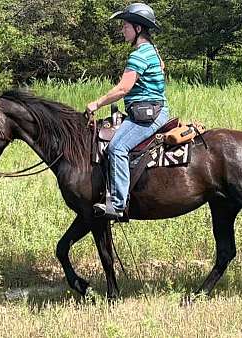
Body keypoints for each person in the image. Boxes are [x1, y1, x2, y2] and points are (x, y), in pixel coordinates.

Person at [86, 3, 169, 219]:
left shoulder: (139, 55)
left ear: (138, 29)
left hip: (148, 116)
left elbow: (123, 88)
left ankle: (118, 204)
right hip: (152, 110)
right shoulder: (152, 51)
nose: (122, 29)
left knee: (117, 147)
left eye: (125, 25)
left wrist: (96, 103)